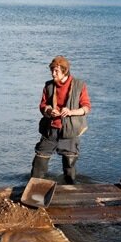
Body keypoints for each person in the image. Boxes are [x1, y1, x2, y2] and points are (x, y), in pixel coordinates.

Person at [31, 56, 91, 184]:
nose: (53, 73)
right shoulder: (48, 86)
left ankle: (70, 190)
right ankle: (34, 187)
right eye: (52, 70)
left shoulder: (80, 85)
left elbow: (86, 108)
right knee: (39, 161)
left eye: (56, 71)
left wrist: (70, 112)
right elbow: (42, 105)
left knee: (70, 167)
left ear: (65, 71)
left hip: (70, 131)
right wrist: (48, 110)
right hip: (50, 129)